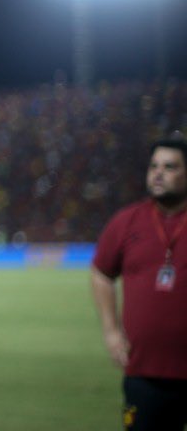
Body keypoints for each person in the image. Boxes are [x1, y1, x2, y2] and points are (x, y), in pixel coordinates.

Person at [91, 137, 187, 431]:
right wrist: (111, 331)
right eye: (153, 166)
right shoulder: (127, 221)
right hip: (143, 374)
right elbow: (101, 273)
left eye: (169, 167)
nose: (158, 173)